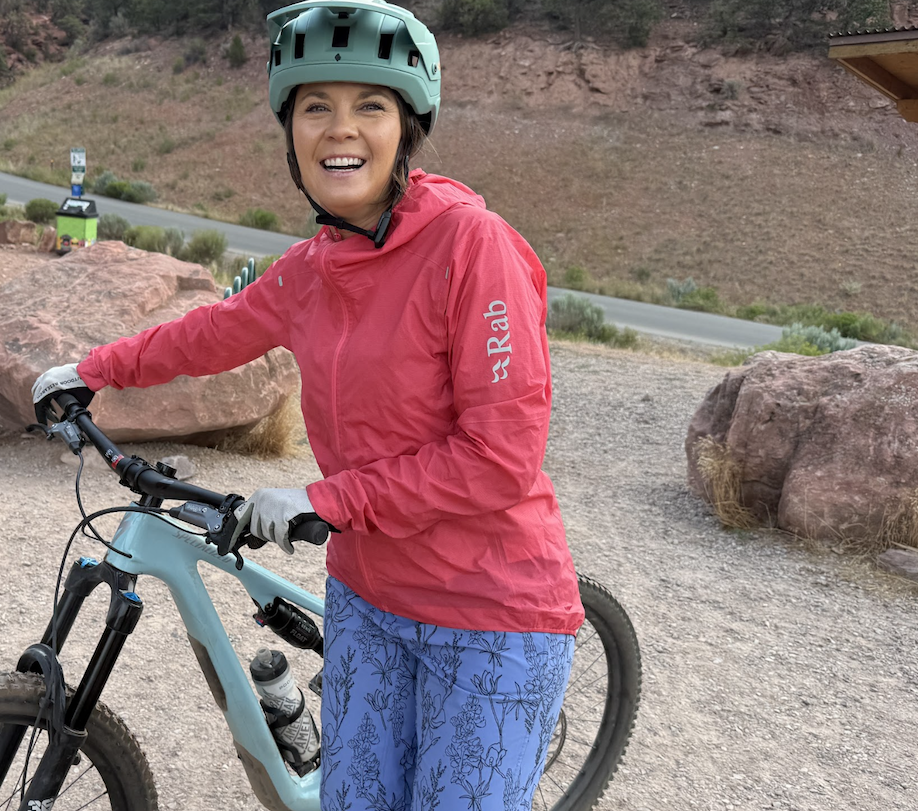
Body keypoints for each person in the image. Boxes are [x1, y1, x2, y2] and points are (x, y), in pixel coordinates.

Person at [32, 1, 584, 808]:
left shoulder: (473, 247)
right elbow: (211, 333)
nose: (340, 129)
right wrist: (93, 369)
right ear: (290, 133)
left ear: (406, 128)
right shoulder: (315, 265)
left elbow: (497, 458)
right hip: (366, 598)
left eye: (370, 106)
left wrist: (324, 498)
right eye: (315, 107)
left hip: (488, 615)